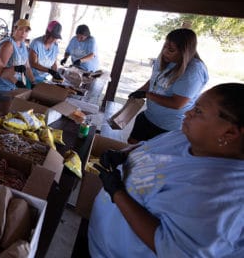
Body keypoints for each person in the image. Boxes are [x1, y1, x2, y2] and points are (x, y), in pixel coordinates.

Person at [89, 83, 244, 257]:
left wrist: (117, 192)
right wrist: (122, 153)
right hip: (99, 238)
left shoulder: (222, 195)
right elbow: (147, 146)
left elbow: (173, 249)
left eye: (199, 111)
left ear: (230, 132)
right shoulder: (185, 137)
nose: (187, 113)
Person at [127, 28, 208, 143]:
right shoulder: (164, 59)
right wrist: (140, 92)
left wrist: (147, 95)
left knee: (151, 157)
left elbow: (177, 103)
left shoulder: (193, 70)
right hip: (149, 116)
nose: (165, 52)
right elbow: (154, 80)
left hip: (169, 127)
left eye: (171, 50)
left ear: (184, 51)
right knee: (132, 147)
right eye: (164, 46)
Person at [0, 18, 36, 110]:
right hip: (1, 87)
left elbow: (27, 67)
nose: (23, 33)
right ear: (14, 29)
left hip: (12, 86)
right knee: (5, 113)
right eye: (20, 29)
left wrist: (33, 82)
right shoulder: (8, 45)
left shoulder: (23, 45)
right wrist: (17, 82)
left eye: (26, 31)